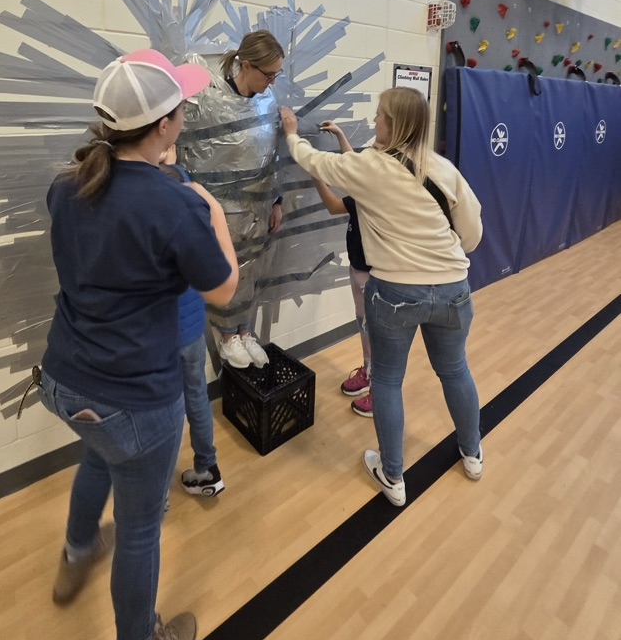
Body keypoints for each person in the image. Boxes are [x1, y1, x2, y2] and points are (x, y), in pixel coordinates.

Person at [38, 49, 238, 640]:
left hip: (65, 384)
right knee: (140, 530)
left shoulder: (66, 186)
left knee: (97, 457)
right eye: (180, 106)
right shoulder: (176, 203)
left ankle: (75, 553)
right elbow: (224, 290)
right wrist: (217, 215)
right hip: (136, 403)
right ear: (164, 126)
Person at [280, 87, 483, 508]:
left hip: (395, 292)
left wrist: (291, 133)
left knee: (387, 381)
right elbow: (473, 234)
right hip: (453, 290)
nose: (375, 122)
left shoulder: (369, 167)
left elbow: (313, 161)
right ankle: (473, 454)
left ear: (396, 124)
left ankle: (393, 476)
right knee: (456, 370)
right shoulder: (442, 168)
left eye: (380, 116)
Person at [179, 30, 285, 370]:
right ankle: (227, 334)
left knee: (252, 268)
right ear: (246, 65)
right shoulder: (208, 100)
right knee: (229, 267)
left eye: (276, 75)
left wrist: (277, 200)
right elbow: (187, 153)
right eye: (268, 74)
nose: (271, 82)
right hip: (222, 205)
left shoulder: (266, 101)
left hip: (259, 203)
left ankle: (243, 329)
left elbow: (272, 151)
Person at [159, 149, 225, 498]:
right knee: (197, 394)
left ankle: (158, 492)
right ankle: (207, 469)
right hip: (191, 327)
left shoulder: (143, 193)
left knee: (164, 409)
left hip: (160, 334)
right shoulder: (187, 183)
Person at [310, 120, 373, 417]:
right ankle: (368, 372)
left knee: (377, 332)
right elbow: (354, 168)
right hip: (358, 267)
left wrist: (316, 176)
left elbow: (334, 205)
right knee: (363, 324)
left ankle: (379, 391)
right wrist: (341, 136)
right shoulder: (365, 186)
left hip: (376, 274)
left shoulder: (372, 194)